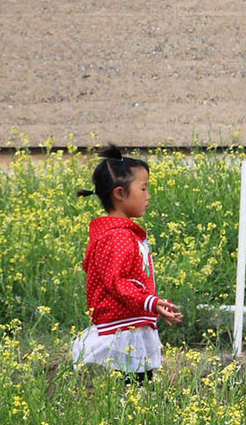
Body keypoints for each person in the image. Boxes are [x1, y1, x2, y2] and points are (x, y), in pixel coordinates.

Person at [70, 144, 182, 383]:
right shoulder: (117, 237)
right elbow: (117, 282)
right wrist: (150, 302)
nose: (148, 195)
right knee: (133, 387)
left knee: (136, 388)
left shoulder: (123, 234)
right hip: (123, 331)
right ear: (120, 193)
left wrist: (153, 304)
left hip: (130, 326)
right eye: (143, 188)